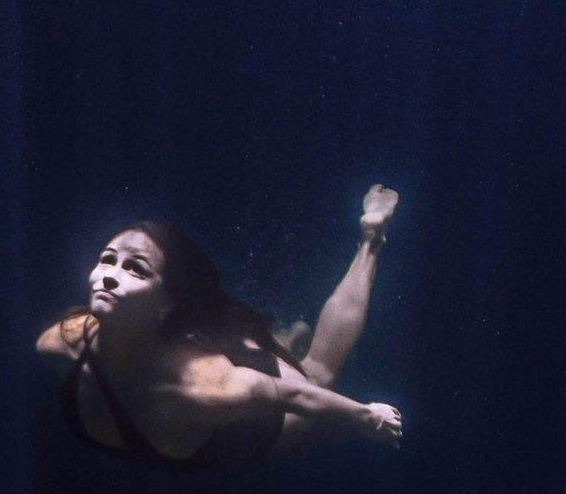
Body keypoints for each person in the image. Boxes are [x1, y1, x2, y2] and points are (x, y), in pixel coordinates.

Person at [38, 191, 404, 468]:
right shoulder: (61, 341)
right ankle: (277, 341)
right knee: (264, 349)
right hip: (188, 353)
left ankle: (371, 241)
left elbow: (294, 397)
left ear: (166, 302)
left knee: (318, 374)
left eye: (137, 269)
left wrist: (367, 416)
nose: (110, 278)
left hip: (242, 426)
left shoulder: (204, 386)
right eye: (106, 260)